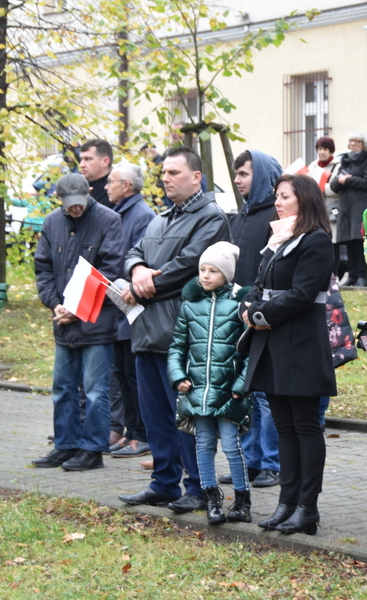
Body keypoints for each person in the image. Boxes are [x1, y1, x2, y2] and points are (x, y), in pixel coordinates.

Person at [118, 146, 231, 512]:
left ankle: (199, 488)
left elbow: (190, 267)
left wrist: (140, 287)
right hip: (148, 332)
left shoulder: (212, 218)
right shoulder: (159, 219)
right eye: (163, 173)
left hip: (185, 335)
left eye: (174, 173)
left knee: (188, 418)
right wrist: (136, 270)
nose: (165, 179)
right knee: (156, 417)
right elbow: (134, 251)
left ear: (197, 176)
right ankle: (164, 483)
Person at [239, 174, 336, 536]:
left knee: (305, 426)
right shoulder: (280, 240)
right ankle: (286, 502)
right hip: (272, 343)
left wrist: (261, 315)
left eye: (284, 197)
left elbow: (302, 293)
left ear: (304, 201)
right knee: (283, 427)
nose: (277, 203)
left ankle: (307, 508)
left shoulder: (317, 241)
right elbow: (258, 283)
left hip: (301, 346)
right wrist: (247, 308)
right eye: (277, 196)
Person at [32, 173, 123, 471]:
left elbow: (109, 271)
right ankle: (66, 445)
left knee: (95, 389)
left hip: (96, 321)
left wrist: (76, 307)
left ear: (89, 194)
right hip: (64, 321)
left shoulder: (109, 220)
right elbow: (43, 268)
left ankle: (92, 449)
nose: (75, 209)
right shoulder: (51, 223)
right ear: (59, 200)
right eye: (69, 204)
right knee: (62, 386)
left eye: (79, 203)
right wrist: (55, 304)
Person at [169, 242, 253, 526]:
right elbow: (178, 347)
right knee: (203, 443)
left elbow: (247, 350)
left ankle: (242, 499)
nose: (205, 276)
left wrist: (242, 385)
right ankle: (211, 497)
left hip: (228, 391)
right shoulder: (190, 305)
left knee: (231, 444)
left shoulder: (239, 305)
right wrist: (178, 376)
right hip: (197, 391)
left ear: (226, 275)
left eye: (213, 271)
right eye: (202, 269)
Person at [229, 149, 283, 489]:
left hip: (262, 316)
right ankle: (249, 461)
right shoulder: (239, 216)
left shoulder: (273, 217)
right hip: (237, 313)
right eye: (236, 174)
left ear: (261, 175)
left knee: (264, 394)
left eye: (244, 174)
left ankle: (271, 462)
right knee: (244, 391)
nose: (237, 180)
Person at [104, 163, 155, 458]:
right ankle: (131, 432)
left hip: (131, 307)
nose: (107, 187)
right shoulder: (121, 213)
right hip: (117, 306)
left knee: (134, 375)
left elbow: (137, 259)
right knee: (122, 372)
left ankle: (143, 435)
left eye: (111, 182)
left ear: (127, 186)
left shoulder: (142, 216)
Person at [329, 132, 367, 286]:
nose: (353, 144)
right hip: (345, 208)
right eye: (351, 141)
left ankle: (362, 276)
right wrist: (340, 181)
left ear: (364, 144)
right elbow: (334, 185)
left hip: (359, 206)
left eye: (357, 141)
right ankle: (352, 276)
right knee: (348, 243)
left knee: (359, 242)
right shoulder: (345, 160)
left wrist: (348, 180)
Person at [304, 138, 342, 240]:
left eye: (325, 149)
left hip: (331, 212)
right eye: (319, 149)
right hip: (315, 211)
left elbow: (337, 190)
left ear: (331, 151)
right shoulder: (312, 166)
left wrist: (320, 187)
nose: (322, 152)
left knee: (332, 242)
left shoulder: (338, 166)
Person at [78, 139, 115, 209]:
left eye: (88, 159)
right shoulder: (77, 186)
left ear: (105, 161)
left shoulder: (117, 192)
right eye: (81, 159)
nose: (81, 165)